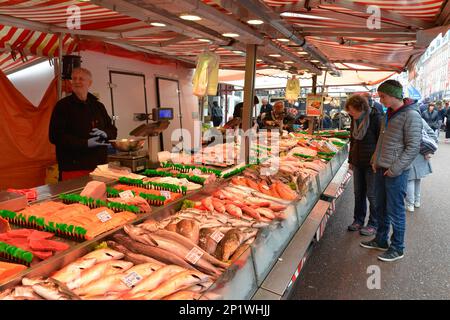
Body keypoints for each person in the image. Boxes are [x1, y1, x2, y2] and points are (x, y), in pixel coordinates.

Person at [361, 80, 422, 262]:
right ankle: (381, 239)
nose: (381, 100)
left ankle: (397, 248)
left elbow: (413, 147)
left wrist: (395, 169)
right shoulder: (389, 113)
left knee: (396, 210)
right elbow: (382, 139)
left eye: (383, 96)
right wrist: (374, 159)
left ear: (394, 95)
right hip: (381, 167)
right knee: (380, 206)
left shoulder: (411, 115)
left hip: (396, 171)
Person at [49, 67, 117, 181]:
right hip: (73, 167)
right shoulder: (63, 106)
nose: (76, 81)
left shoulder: (98, 106)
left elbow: (113, 130)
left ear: (89, 83)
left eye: (81, 79)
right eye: (74, 78)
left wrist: (105, 133)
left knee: (98, 198)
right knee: (76, 198)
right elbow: (55, 136)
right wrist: (85, 143)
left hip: (99, 166)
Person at [345, 95, 382, 236]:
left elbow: (381, 141)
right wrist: (350, 160)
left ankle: (373, 223)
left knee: (372, 194)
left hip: (371, 163)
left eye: (353, 111)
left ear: (361, 108)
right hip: (357, 162)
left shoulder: (375, 118)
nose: (351, 114)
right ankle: (358, 220)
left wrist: (377, 161)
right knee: (358, 193)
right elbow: (352, 141)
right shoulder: (354, 120)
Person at [406, 119, 437, 212]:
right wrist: (428, 149)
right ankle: (417, 201)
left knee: (409, 179)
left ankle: (410, 204)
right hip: (422, 152)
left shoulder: (406, 118)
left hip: (409, 152)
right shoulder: (420, 119)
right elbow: (432, 134)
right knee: (417, 179)